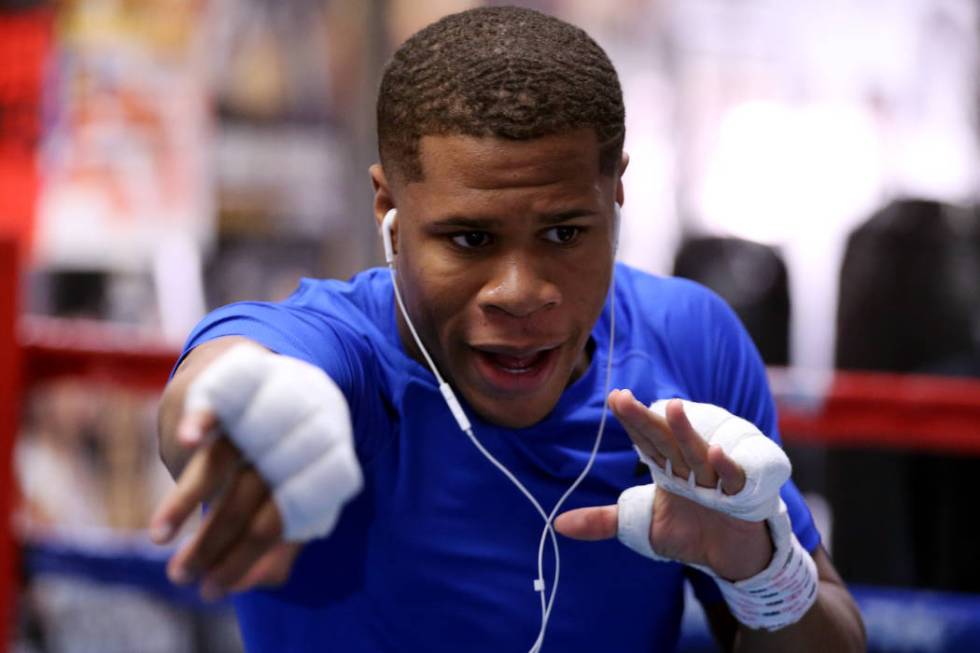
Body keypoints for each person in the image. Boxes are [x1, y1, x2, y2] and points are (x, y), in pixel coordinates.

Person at [151, 6, 865, 652]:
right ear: (387, 209)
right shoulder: (346, 354)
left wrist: (761, 568)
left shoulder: (688, 343)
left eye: (563, 231)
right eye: (468, 239)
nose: (521, 293)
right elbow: (225, 375)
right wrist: (253, 420)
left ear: (616, 193)